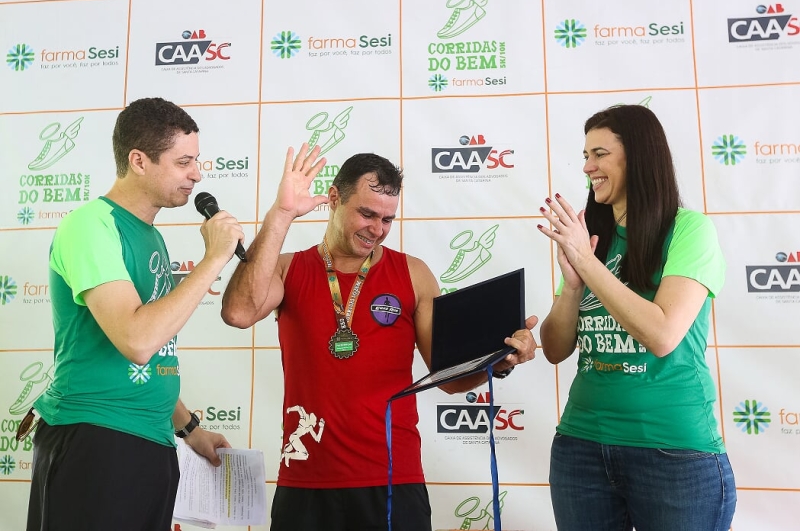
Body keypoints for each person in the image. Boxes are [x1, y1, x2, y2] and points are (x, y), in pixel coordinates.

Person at [221, 144, 539, 531]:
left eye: (387, 219)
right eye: (367, 213)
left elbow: (450, 379)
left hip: (393, 478)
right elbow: (238, 312)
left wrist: (500, 362)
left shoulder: (413, 274)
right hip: (307, 477)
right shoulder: (288, 269)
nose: (377, 229)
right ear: (334, 199)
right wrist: (281, 214)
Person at [24, 97, 245, 531]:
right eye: (184, 162)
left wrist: (189, 428)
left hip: (151, 443)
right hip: (96, 439)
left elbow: (155, 356)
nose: (197, 174)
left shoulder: (151, 238)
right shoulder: (90, 226)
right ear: (139, 160)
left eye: (196, 161)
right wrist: (214, 259)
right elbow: (138, 340)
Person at [537, 104, 736, 530]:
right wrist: (573, 285)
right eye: (586, 155)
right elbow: (555, 349)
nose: (587, 166)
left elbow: (662, 333)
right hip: (581, 447)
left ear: (639, 156)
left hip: (672, 453)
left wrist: (587, 266)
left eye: (600, 154)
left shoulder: (689, 229)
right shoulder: (591, 236)